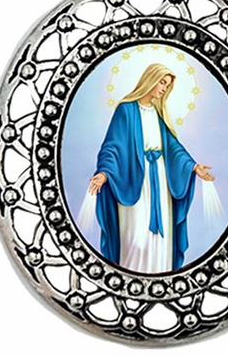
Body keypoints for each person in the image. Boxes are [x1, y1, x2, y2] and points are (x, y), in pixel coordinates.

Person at [88, 63, 215, 273]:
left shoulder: (158, 113)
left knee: (160, 239)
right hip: (133, 180)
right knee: (136, 237)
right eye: (162, 82)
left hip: (161, 181)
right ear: (150, 79)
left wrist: (193, 167)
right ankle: (130, 278)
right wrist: (104, 173)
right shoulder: (126, 110)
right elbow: (112, 146)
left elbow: (173, 147)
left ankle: (159, 276)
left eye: (167, 85)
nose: (164, 88)